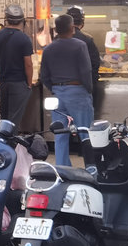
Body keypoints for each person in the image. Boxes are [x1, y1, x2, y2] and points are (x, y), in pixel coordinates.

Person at [40, 14, 94, 167]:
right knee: (85, 132)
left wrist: (55, 89)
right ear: (72, 28)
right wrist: (88, 90)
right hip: (78, 92)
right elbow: (86, 71)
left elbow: (44, 75)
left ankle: (62, 169)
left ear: (56, 29)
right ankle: (91, 167)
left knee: (60, 134)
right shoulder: (79, 45)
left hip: (57, 93)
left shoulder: (48, 48)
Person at [0, 4, 33, 129]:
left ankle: (3, 144)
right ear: (22, 21)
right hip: (19, 82)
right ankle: (10, 145)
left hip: (4, 82)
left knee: (4, 117)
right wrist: (29, 84)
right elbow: (28, 64)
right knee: (14, 119)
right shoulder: (24, 38)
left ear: (6, 19)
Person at [66, 6, 103, 115]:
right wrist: (90, 85)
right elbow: (95, 64)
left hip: (62, 89)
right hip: (82, 88)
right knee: (84, 122)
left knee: (64, 123)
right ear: (82, 22)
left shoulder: (58, 40)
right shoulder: (87, 40)